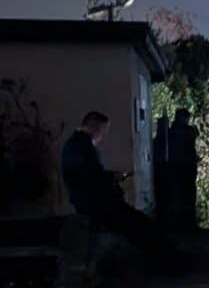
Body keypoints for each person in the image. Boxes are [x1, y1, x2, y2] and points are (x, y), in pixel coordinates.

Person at [60, 111, 179, 263]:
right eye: (103, 131)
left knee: (139, 223)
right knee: (139, 225)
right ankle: (168, 259)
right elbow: (91, 175)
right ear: (94, 127)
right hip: (96, 203)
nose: (102, 136)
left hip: (93, 201)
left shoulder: (75, 145)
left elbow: (88, 174)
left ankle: (166, 257)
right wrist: (113, 177)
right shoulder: (82, 146)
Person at [166, 108, 199, 231]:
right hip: (187, 167)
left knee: (177, 193)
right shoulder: (188, 131)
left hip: (175, 166)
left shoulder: (171, 131)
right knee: (188, 195)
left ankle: (177, 222)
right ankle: (188, 223)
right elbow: (194, 134)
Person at [151, 114, 173, 223]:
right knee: (163, 196)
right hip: (162, 170)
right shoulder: (163, 141)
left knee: (163, 196)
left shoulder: (159, 141)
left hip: (162, 170)